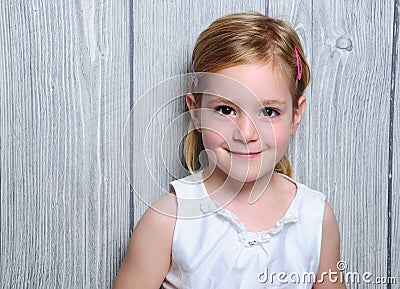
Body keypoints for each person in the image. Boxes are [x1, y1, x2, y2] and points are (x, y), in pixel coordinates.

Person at [113, 12, 347, 289]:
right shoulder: (168, 221)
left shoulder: (316, 218)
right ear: (196, 112)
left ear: (296, 115)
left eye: (269, 111)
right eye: (226, 110)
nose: (246, 134)